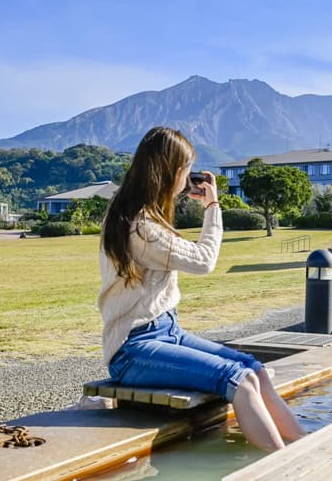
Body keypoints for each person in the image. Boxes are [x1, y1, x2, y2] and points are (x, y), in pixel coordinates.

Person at [98, 126, 304, 451]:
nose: (188, 177)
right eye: (186, 169)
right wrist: (212, 208)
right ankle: (283, 466)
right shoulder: (141, 228)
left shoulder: (138, 215)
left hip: (168, 333)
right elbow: (204, 260)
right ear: (172, 172)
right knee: (241, 380)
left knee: (256, 370)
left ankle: (304, 446)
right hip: (133, 349)